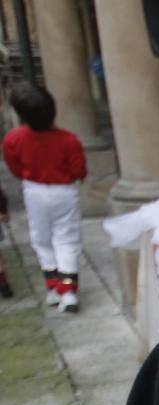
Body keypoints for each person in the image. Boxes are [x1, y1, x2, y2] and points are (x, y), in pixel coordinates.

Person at [3, 83, 85, 312]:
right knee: (66, 239)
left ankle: (52, 287)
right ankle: (68, 291)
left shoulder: (13, 138)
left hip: (34, 190)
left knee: (41, 238)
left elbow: (15, 167)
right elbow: (79, 170)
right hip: (64, 191)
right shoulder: (68, 139)